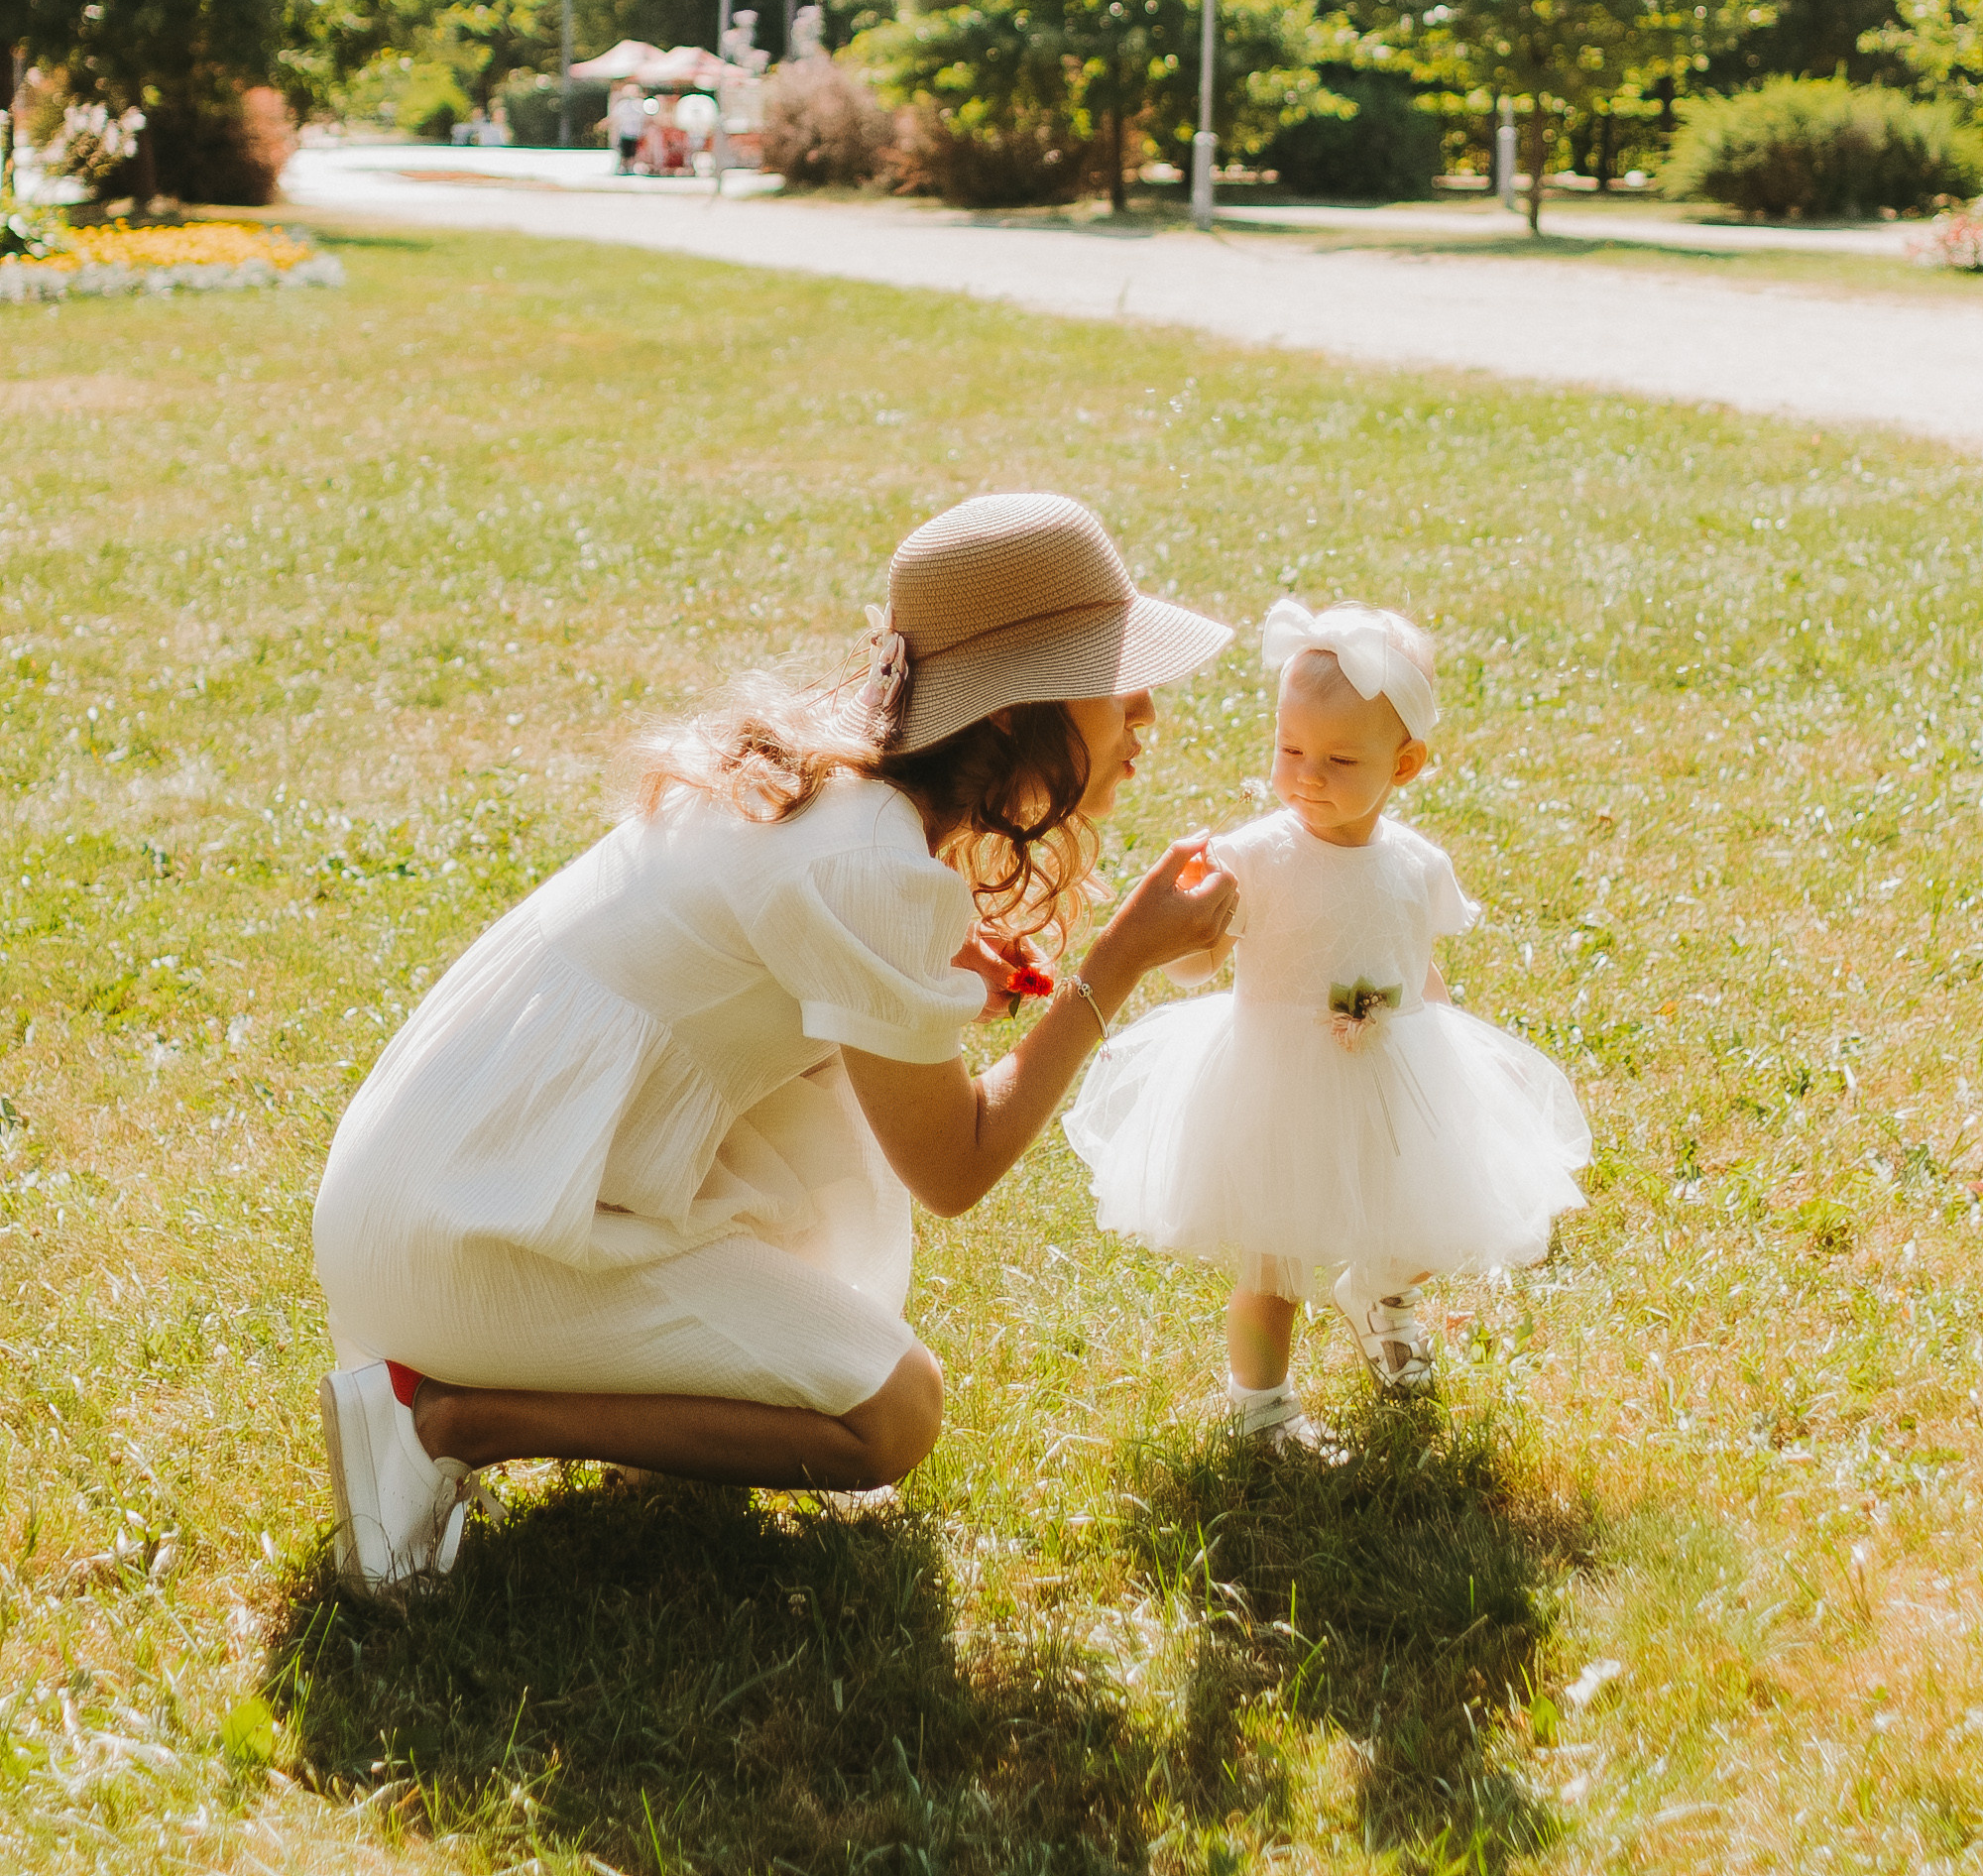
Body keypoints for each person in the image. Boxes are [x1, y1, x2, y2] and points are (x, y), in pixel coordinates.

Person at [312, 493, 1238, 1595]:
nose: (1143, 709)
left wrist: (924, 975)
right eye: (1110, 672)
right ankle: (445, 1418)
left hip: (443, 1177)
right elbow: (955, 1165)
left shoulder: (824, 788)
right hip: (462, 1240)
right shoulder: (864, 862)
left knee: (829, 1170)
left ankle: (610, 1393)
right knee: (889, 1416)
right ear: (1009, 710)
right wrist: (1118, 963)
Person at [1064, 600, 1589, 1442]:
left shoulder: (1417, 866)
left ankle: (1378, 1286)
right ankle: (1260, 1407)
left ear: (1405, 764)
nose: (1307, 774)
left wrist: (1443, 1054)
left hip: (1390, 1066)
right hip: (1273, 1078)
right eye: (1289, 749)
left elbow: (1416, 960)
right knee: (1272, 1265)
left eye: (1340, 758)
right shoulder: (1259, 855)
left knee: (1419, 1216)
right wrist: (1185, 936)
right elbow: (1204, 955)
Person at [607, 79, 646, 174]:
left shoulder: (637, 104)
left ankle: (629, 167)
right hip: (628, 132)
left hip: (632, 132)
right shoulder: (626, 105)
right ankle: (626, 167)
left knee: (631, 151)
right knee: (626, 151)